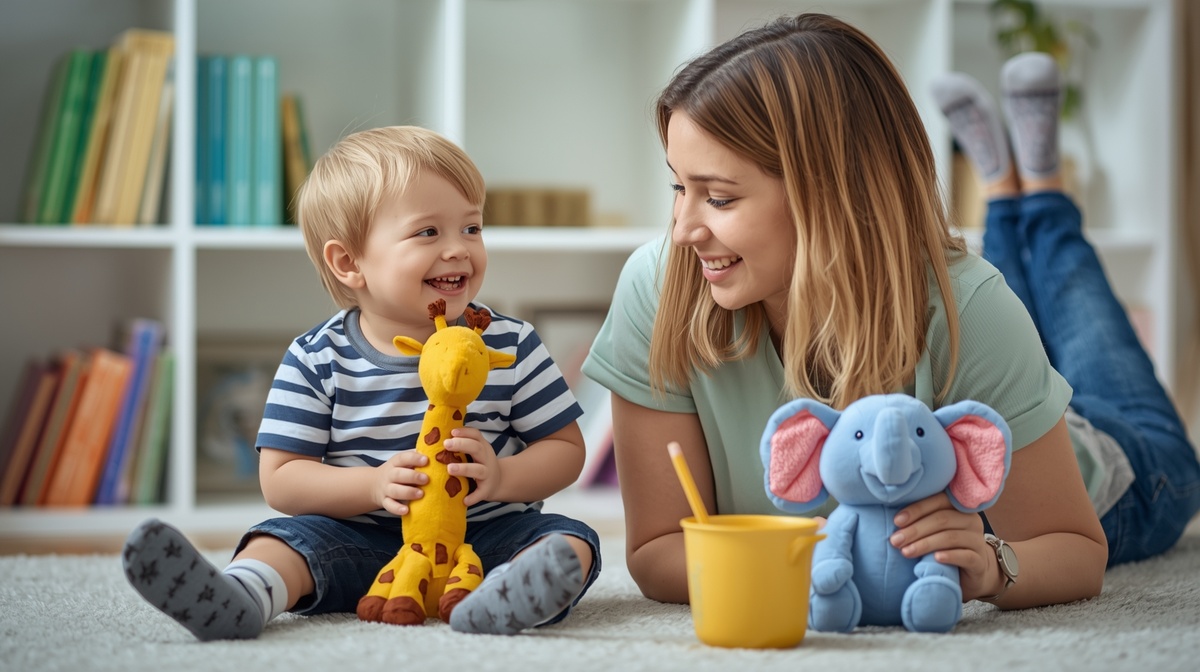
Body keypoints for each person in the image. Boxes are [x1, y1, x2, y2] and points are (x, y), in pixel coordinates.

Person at [581, 13, 1200, 612]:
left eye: (718, 197)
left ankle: (1040, 196)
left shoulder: (969, 307)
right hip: (1000, 382)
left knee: (1093, 340)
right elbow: (659, 550)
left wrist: (990, 563)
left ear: (829, 192)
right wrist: (814, 565)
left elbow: (1075, 550)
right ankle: (1009, 191)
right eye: (677, 187)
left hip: (1127, 477)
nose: (685, 227)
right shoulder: (660, 283)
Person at [122, 125, 600, 640]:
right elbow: (281, 478)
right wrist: (370, 485)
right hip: (357, 542)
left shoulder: (510, 345)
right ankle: (242, 596)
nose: (459, 250)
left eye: (472, 228)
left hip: (488, 536)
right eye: (428, 232)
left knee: (570, 540)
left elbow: (565, 449)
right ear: (349, 262)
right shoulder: (317, 357)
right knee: (281, 539)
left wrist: (503, 477)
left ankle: (504, 595)